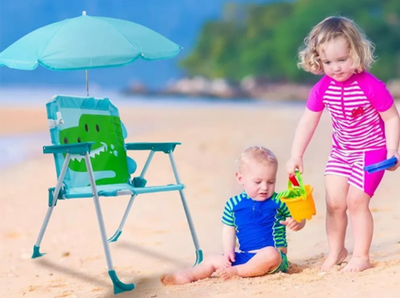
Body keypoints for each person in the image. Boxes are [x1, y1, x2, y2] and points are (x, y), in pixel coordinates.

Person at [286, 16, 400, 273]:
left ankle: (361, 255)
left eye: (342, 60)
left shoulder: (371, 86)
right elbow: (308, 122)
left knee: (356, 201)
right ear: (318, 60)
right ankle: (337, 250)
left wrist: (393, 150)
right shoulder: (322, 88)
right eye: (327, 62)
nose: (335, 68)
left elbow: (392, 118)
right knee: (335, 202)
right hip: (341, 152)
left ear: (355, 54)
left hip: (372, 152)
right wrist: (296, 154)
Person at [161, 146, 305, 285]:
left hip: (273, 260)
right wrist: (229, 250)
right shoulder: (233, 204)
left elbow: (300, 217)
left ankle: (238, 271)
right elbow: (229, 229)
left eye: (271, 181)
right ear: (240, 178)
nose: (264, 187)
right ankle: (189, 274)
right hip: (245, 256)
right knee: (212, 259)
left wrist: (297, 223)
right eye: (257, 182)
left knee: (270, 253)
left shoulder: (280, 201)